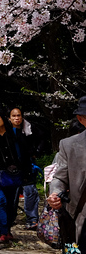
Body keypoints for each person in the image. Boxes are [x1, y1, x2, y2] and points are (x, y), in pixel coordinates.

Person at [0, 109, 32, 245]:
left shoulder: (15, 135)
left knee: (12, 204)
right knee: (1, 201)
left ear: (4, 119)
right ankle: (3, 233)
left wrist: (26, 173)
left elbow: (25, 155)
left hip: (13, 175)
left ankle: (8, 229)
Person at [48, 96, 86, 250]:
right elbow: (59, 177)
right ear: (81, 119)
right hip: (78, 217)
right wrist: (55, 193)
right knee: (73, 250)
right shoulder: (69, 145)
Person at [8, 107, 40, 229]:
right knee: (12, 194)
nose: (17, 118)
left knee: (30, 191)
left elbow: (40, 139)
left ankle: (32, 219)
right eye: (14, 116)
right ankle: (10, 218)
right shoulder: (6, 131)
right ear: (9, 118)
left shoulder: (29, 129)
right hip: (12, 167)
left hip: (27, 165)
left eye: (19, 116)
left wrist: (36, 152)